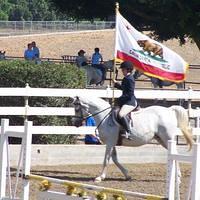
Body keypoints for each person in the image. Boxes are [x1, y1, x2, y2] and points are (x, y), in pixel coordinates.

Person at [113, 61, 137, 138]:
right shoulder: (126, 78)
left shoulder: (129, 79)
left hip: (130, 102)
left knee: (121, 114)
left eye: (123, 70)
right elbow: (124, 89)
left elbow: (129, 94)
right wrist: (116, 84)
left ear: (127, 69)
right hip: (126, 100)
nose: (122, 71)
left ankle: (128, 131)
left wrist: (119, 100)